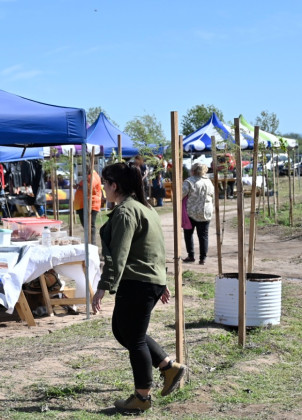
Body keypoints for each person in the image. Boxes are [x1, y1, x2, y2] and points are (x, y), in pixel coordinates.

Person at [92, 162, 186, 414]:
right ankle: (169, 367)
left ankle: (142, 397)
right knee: (124, 331)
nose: (102, 189)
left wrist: (103, 286)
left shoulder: (126, 212)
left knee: (133, 337)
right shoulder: (145, 208)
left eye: (104, 183)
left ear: (114, 185)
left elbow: (120, 254)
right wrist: (161, 280)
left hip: (138, 282)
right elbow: (155, 248)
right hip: (147, 280)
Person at [182, 163, 214, 265]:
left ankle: (191, 255)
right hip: (205, 212)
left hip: (191, 211)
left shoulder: (189, 182)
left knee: (188, 234)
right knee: (203, 235)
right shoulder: (209, 182)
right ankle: (203, 258)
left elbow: (181, 194)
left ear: (193, 170)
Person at [73, 166, 102, 245]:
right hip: (83, 204)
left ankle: (92, 243)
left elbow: (89, 187)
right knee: (86, 225)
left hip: (90, 204)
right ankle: (88, 242)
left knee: (90, 225)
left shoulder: (93, 176)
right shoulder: (89, 176)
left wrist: (79, 186)